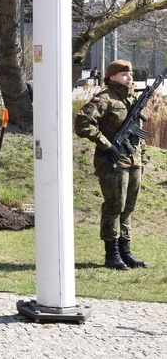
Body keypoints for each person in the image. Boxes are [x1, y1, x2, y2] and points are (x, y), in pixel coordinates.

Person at [75, 59, 148, 270]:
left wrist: (142, 158)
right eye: (124, 74)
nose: (129, 77)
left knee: (129, 207)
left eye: (131, 74)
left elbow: (138, 134)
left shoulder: (133, 98)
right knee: (115, 206)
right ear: (112, 76)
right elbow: (82, 123)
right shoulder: (104, 99)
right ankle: (112, 254)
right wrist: (106, 145)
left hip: (133, 160)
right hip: (113, 162)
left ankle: (126, 252)